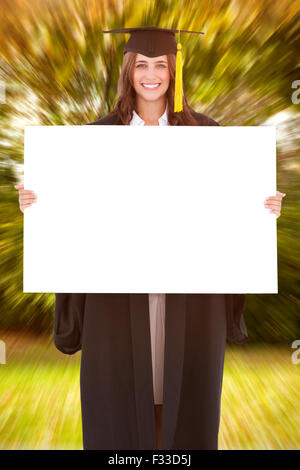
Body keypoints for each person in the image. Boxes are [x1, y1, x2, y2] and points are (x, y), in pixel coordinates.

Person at [15, 27, 286, 450]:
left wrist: (262, 207)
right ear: (129, 71)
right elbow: (71, 209)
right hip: (117, 294)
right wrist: (38, 203)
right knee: (120, 402)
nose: (151, 74)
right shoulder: (97, 138)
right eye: (142, 65)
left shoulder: (207, 136)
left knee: (184, 398)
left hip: (189, 295)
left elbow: (232, 206)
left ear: (173, 72)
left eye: (161, 65)